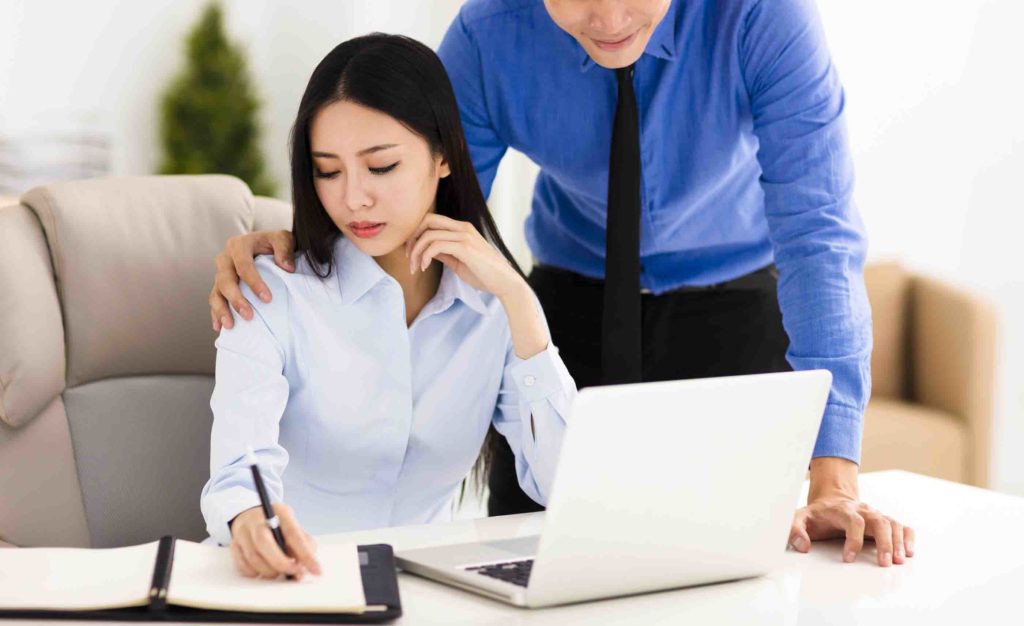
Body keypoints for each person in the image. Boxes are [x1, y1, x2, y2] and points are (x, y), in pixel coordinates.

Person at [208, 0, 914, 568]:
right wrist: (289, 242)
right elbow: (411, 194)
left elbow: (817, 234)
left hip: (734, 299)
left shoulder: (764, 17)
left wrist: (835, 478)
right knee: (538, 562)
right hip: (568, 301)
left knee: (730, 570)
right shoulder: (490, 35)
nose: (608, 20)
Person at [199, 33, 576, 580]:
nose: (353, 197)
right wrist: (252, 519)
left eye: (380, 167)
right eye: (328, 171)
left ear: (443, 155)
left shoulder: (491, 305)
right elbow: (238, 471)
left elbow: (560, 484)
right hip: (290, 588)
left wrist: (521, 302)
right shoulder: (270, 292)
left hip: (433, 593)